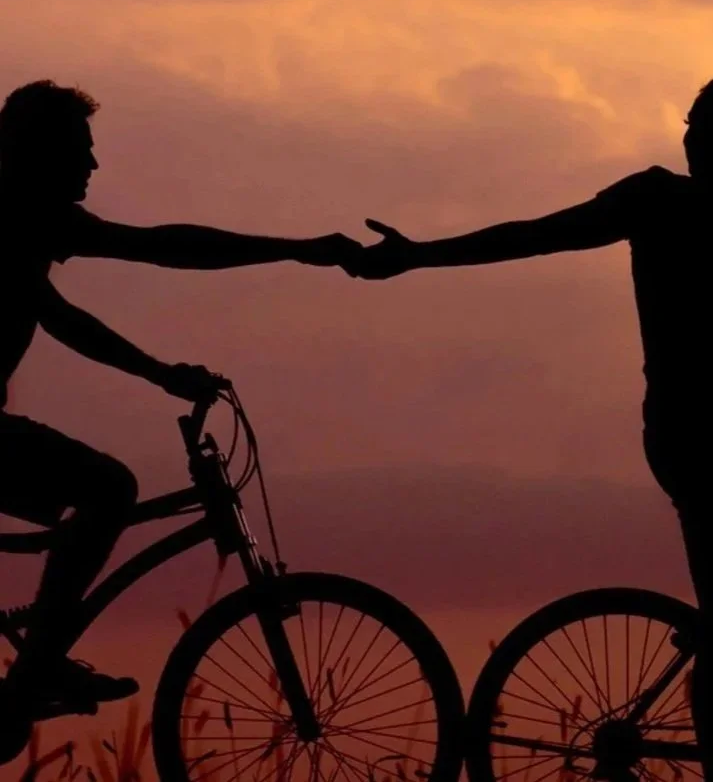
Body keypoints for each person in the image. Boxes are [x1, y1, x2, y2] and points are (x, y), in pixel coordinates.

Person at [347, 79, 713, 781]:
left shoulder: (656, 200)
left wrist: (420, 254)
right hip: (695, 439)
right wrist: (422, 253)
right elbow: (537, 236)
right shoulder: (658, 200)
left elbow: (535, 236)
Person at [0, 79, 361, 713]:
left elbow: (70, 308)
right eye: (79, 149)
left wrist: (161, 372)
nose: (93, 164)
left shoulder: (24, 220)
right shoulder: (16, 212)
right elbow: (159, 251)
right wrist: (298, 251)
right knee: (107, 489)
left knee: (95, 493)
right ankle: (38, 669)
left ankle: (36, 667)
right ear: (38, 152)